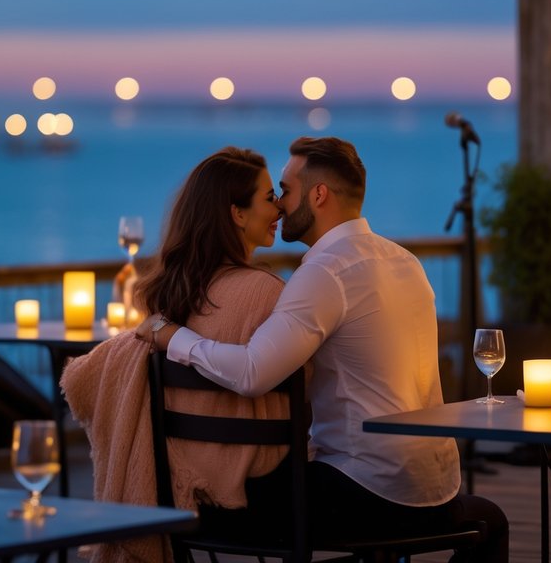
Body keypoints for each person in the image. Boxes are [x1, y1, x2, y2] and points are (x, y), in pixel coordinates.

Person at [137, 136, 509, 563]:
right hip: (437, 486)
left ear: (318, 195)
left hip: (365, 490)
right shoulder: (405, 261)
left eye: (285, 190)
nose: (279, 204)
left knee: (238, 494)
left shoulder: (325, 272)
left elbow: (252, 373)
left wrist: (172, 336)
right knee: (491, 519)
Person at [61, 147, 287, 563]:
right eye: (269, 197)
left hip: (172, 491)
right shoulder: (269, 293)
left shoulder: (168, 299)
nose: (280, 209)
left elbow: (79, 380)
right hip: (257, 494)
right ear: (237, 214)